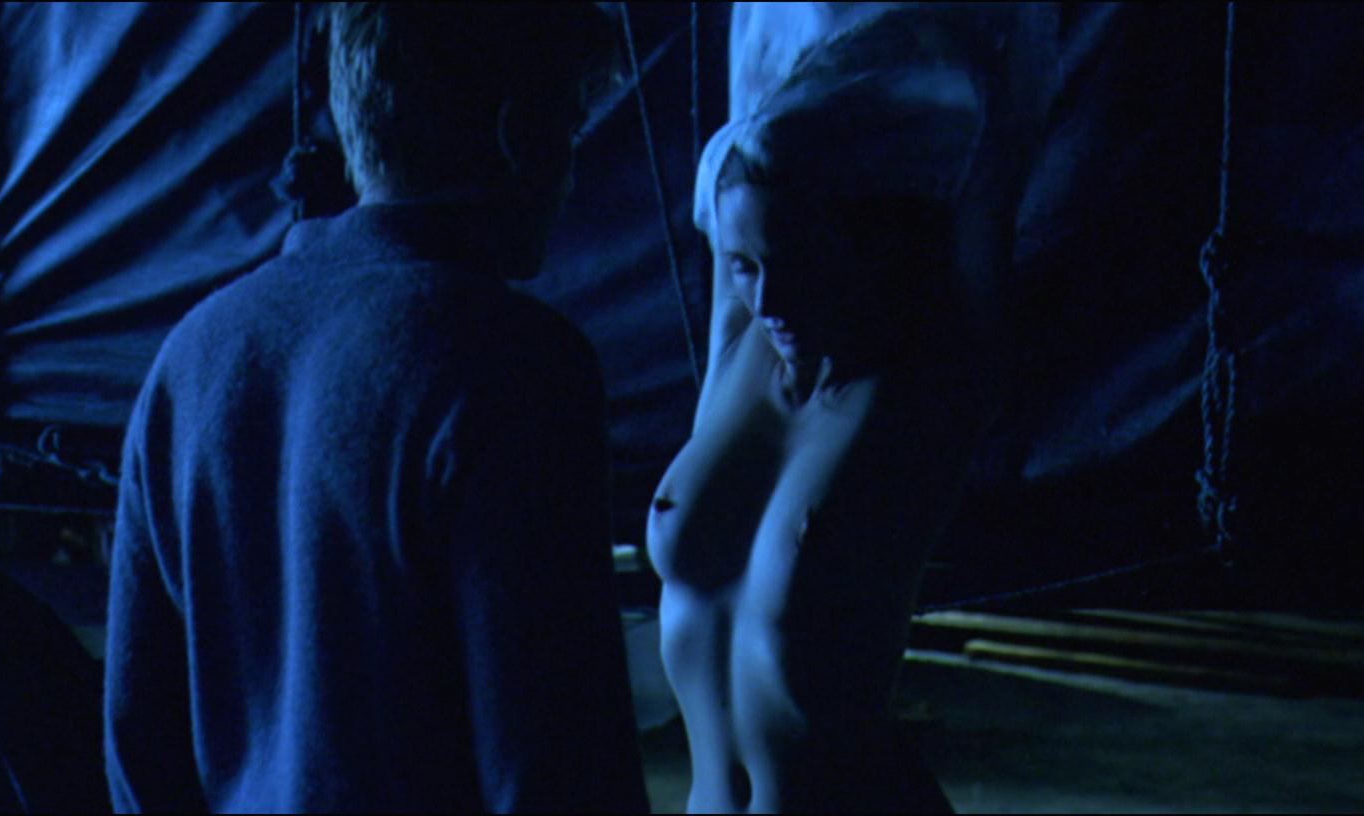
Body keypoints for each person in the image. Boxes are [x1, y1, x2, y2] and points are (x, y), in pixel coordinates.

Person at [103, 4, 648, 812]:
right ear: (519, 133)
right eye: (569, 127)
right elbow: (557, 767)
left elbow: (139, 747)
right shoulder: (513, 362)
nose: (570, 175)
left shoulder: (192, 358)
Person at [647, 5, 1054, 812]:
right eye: (744, 265)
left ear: (848, 243)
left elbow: (992, 153)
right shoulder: (740, 344)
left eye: (793, 259)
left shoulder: (930, 381)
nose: (769, 297)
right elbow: (755, 123)